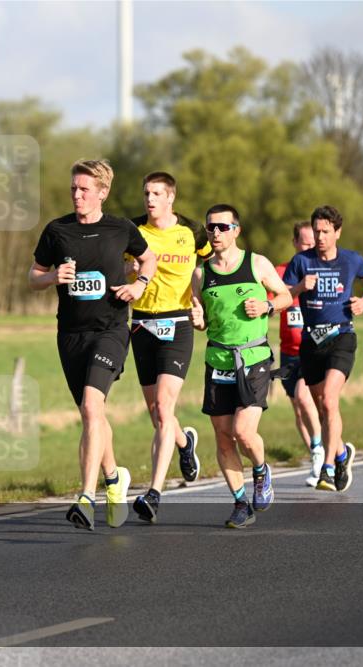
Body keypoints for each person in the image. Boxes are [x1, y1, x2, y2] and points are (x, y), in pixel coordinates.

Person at [29, 159, 157, 531]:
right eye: (73, 188)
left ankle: (86, 497)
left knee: (90, 404)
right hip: (70, 334)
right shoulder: (57, 230)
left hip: (111, 329)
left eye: (84, 189)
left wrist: (139, 286)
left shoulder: (121, 228)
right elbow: (32, 275)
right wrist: (52, 276)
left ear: (102, 192)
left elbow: (148, 258)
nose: (77, 195)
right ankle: (115, 478)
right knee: (92, 414)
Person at [190, 204, 292, 529]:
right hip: (217, 361)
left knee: (243, 432)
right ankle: (240, 503)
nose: (215, 233)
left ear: (236, 230)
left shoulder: (256, 263)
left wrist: (267, 304)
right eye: (210, 228)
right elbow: (202, 318)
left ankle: (261, 471)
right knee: (223, 438)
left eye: (222, 227)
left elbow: (286, 296)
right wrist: (198, 320)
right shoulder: (200, 274)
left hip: (253, 359)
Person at [127, 172, 211, 523]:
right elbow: (115, 263)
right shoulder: (131, 231)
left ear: (170, 198)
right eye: (146, 193)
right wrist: (128, 268)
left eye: (157, 193)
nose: (150, 199)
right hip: (141, 323)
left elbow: (208, 267)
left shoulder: (193, 232)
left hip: (177, 323)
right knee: (157, 413)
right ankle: (183, 443)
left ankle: (155, 493)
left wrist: (200, 301)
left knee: (164, 405)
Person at [283, 205, 363, 492]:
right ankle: (341, 453)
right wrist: (301, 286)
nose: (320, 237)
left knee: (329, 400)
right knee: (324, 411)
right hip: (311, 342)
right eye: (316, 231)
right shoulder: (301, 261)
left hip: (342, 337)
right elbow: (283, 294)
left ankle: (327, 468)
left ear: (337, 232)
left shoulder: (351, 260)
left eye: (326, 231)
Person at [272, 221, 324, 486]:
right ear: (295, 243)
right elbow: (270, 304)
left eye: (313, 243)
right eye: (305, 244)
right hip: (288, 352)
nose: (310, 248)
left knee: (305, 397)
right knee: (299, 409)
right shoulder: (280, 272)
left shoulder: (323, 271)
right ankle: (320, 456)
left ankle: (320, 450)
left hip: (313, 349)